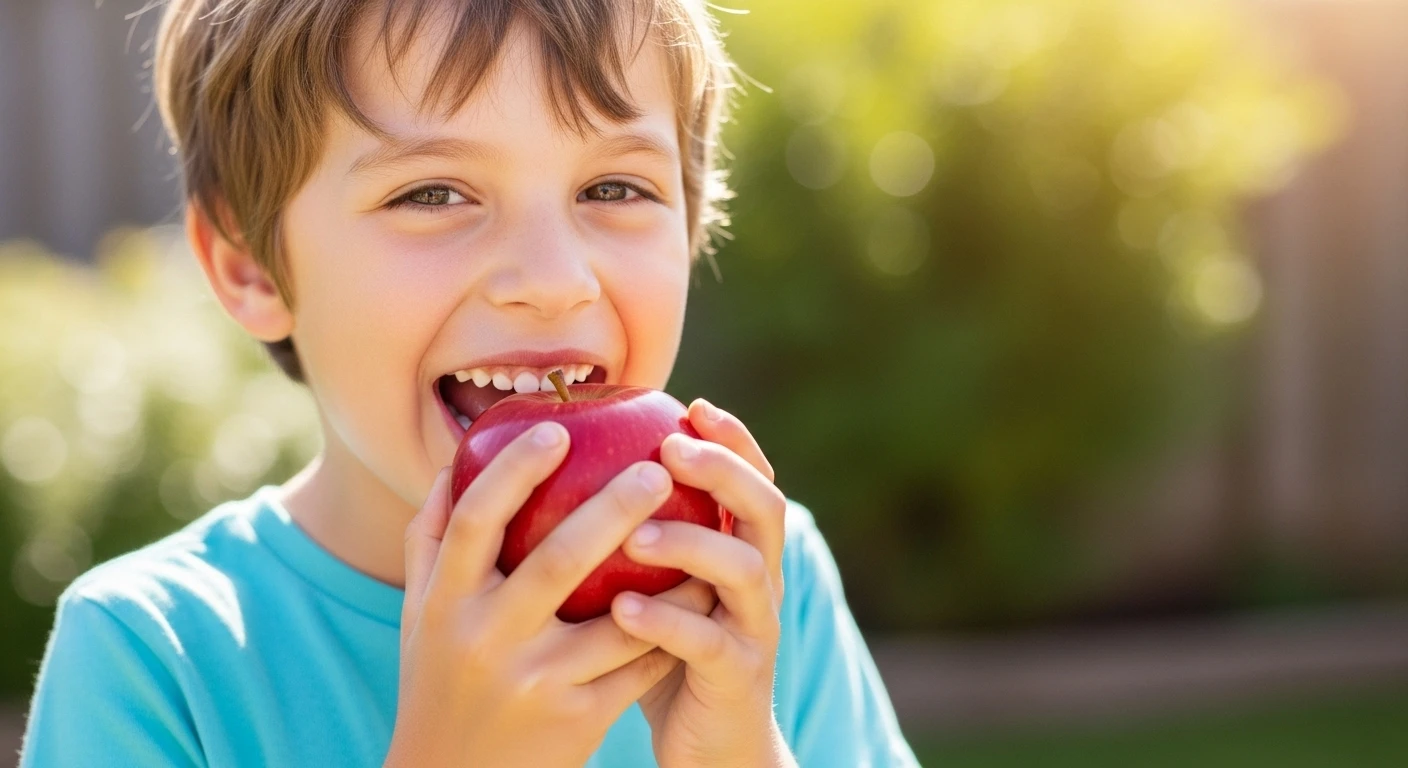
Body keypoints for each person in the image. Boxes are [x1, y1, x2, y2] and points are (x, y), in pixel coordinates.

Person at [20, 0, 919, 765]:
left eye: (613, 187)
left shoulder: (752, 578)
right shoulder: (155, 656)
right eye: (433, 194)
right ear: (251, 267)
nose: (554, 276)